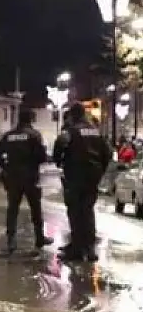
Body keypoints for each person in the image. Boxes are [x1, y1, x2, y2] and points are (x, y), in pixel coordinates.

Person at [52, 103, 113, 261]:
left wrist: (59, 162)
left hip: (75, 175)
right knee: (88, 211)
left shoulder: (70, 131)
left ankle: (77, 248)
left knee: (75, 211)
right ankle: (90, 249)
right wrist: (100, 171)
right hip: (92, 176)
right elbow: (107, 153)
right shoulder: (95, 131)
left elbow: (58, 147)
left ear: (72, 115)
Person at [0, 108, 52, 253]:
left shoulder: (9, 135)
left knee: (12, 209)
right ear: (30, 119)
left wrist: (6, 166)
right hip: (31, 177)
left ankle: (11, 241)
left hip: (13, 177)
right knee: (35, 209)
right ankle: (39, 237)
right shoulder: (34, 135)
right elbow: (42, 157)